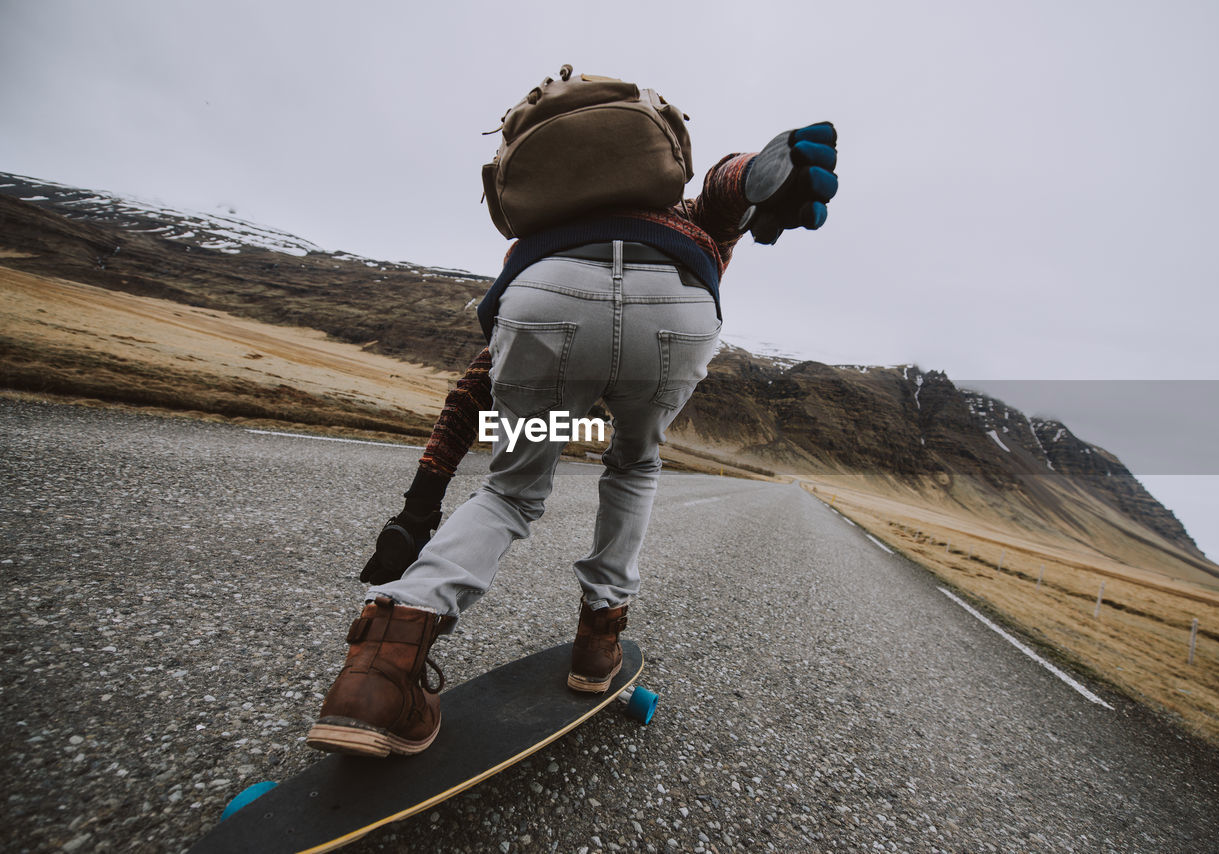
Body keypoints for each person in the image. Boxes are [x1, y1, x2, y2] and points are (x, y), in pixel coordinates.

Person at [305, 101, 838, 758]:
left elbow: (471, 392)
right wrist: (759, 172)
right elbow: (722, 196)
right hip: (673, 305)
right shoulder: (676, 215)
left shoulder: (544, 240)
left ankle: (380, 666)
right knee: (633, 463)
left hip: (545, 300)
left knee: (512, 491)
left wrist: (421, 508)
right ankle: (599, 640)